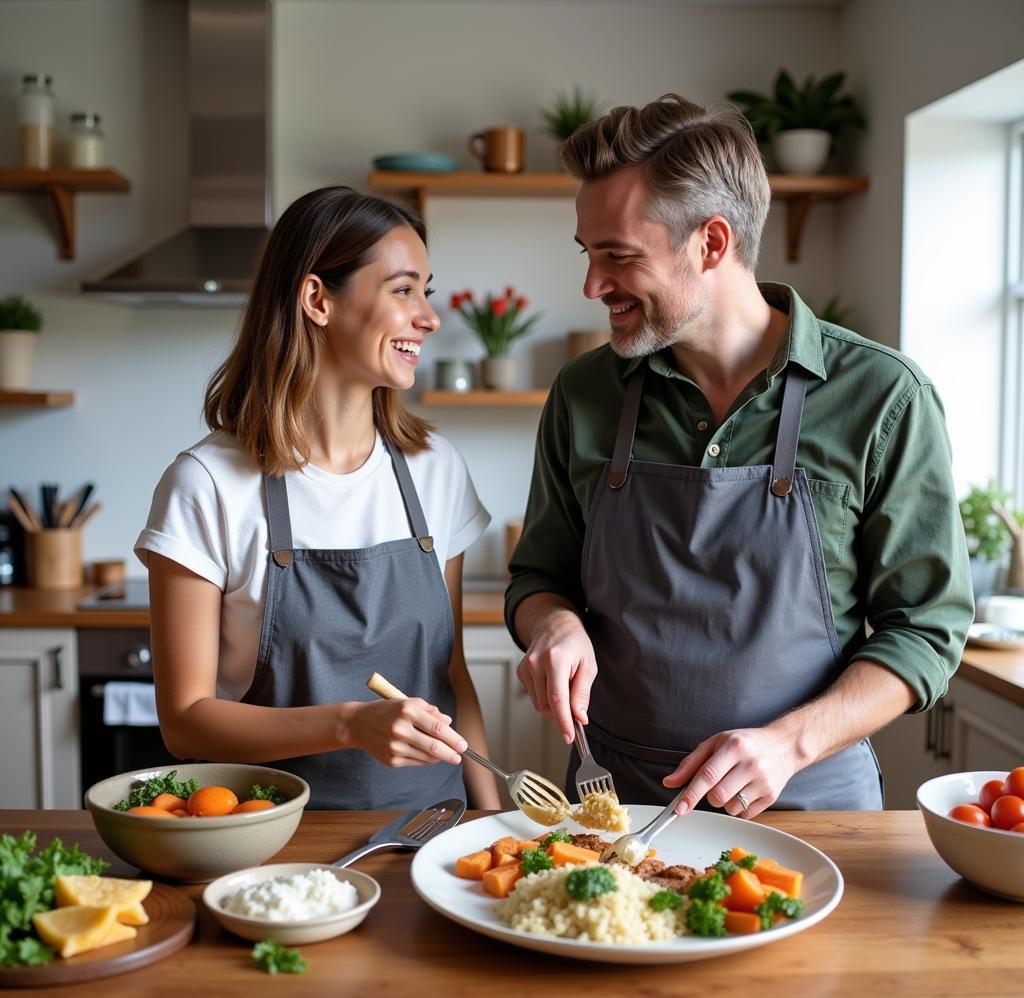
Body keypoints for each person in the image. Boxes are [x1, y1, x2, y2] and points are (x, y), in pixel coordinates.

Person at [506, 95, 973, 816]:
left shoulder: (884, 398)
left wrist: (791, 743)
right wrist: (554, 623)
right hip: (617, 810)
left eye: (617, 256)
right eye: (588, 252)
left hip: (812, 810)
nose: (592, 285)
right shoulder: (584, 392)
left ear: (712, 244)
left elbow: (928, 628)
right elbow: (540, 574)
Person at [136, 186, 500, 812]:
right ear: (317, 300)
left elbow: (452, 676)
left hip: (436, 837)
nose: (430, 317)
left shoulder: (436, 470)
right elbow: (185, 719)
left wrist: (491, 820)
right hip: (269, 842)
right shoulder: (207, 485)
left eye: (427, 292)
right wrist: (348, 724)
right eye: (403, 290)